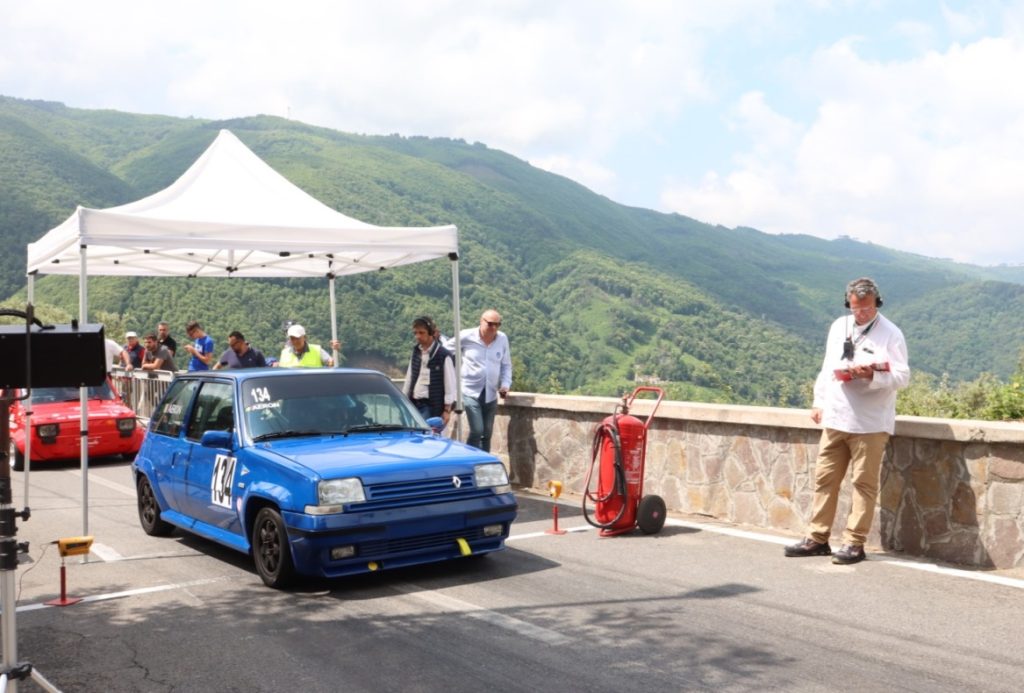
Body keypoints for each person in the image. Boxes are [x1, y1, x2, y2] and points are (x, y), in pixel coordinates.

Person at [785, 277, 910, 565]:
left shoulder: (891, 334)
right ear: (848, 304)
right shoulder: (838, 327)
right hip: (836, 416)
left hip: (870, 423)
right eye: (856, 309)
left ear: (877, 303)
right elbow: (827, 367)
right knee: (824, 480)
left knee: (863, 484)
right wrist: (818, 402)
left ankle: (855, 543)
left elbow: (903, 377)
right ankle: (817, 538)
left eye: (866, 309)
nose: (861, 314)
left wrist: (872, 375)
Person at [446, 309, 512, 452]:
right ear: (481, 321)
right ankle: (470, 461)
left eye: (497, 324)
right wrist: (450, 376)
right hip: (470, 391)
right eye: (490, 324)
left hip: (491, 393)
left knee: (487, 433)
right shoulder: (466, 336)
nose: (493, 328)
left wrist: (505, 385)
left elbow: (506, 365)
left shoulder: (502, 339)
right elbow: (445, 351)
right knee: (477, 430)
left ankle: (484, 465)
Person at [403, 316, 456, 428]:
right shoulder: (416, 352)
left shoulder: (443, 355)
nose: (418, 336)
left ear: (431, 333)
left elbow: (449, 384)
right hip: (414, 404)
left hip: (430, 405)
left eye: (421, 333)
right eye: (416, 333)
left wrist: (447, 410)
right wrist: (403, 400)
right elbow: (409, 378)